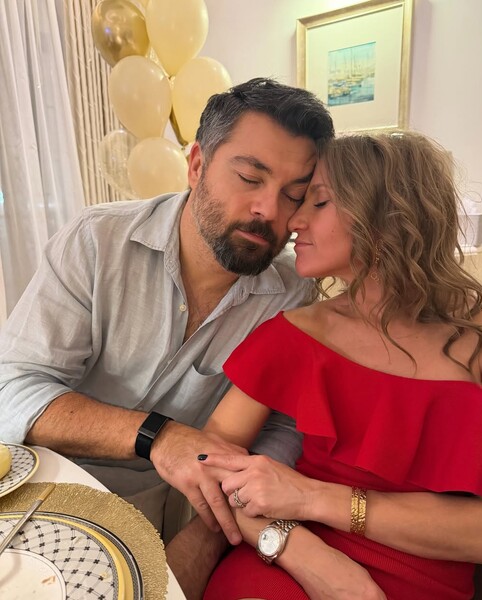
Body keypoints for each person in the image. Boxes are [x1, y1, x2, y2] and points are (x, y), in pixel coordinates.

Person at [0, 78, 334, 550]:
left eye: (293, 194)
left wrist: (213, 534)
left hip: (174, 508)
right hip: (42, 495)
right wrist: (158, 436)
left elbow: (279, 425)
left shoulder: (292, 293)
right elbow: (13, 390)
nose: (268, 210)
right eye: (249, 178)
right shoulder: (96, 241)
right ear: (197, 165)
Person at [181, 131, 482, 599]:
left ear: (386, 218)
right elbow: (210, 463)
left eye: (318, 202)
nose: (293, 221)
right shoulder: (295, 334)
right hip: (282, 556)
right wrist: (302, 552)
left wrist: (316, 498)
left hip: (422, 578)